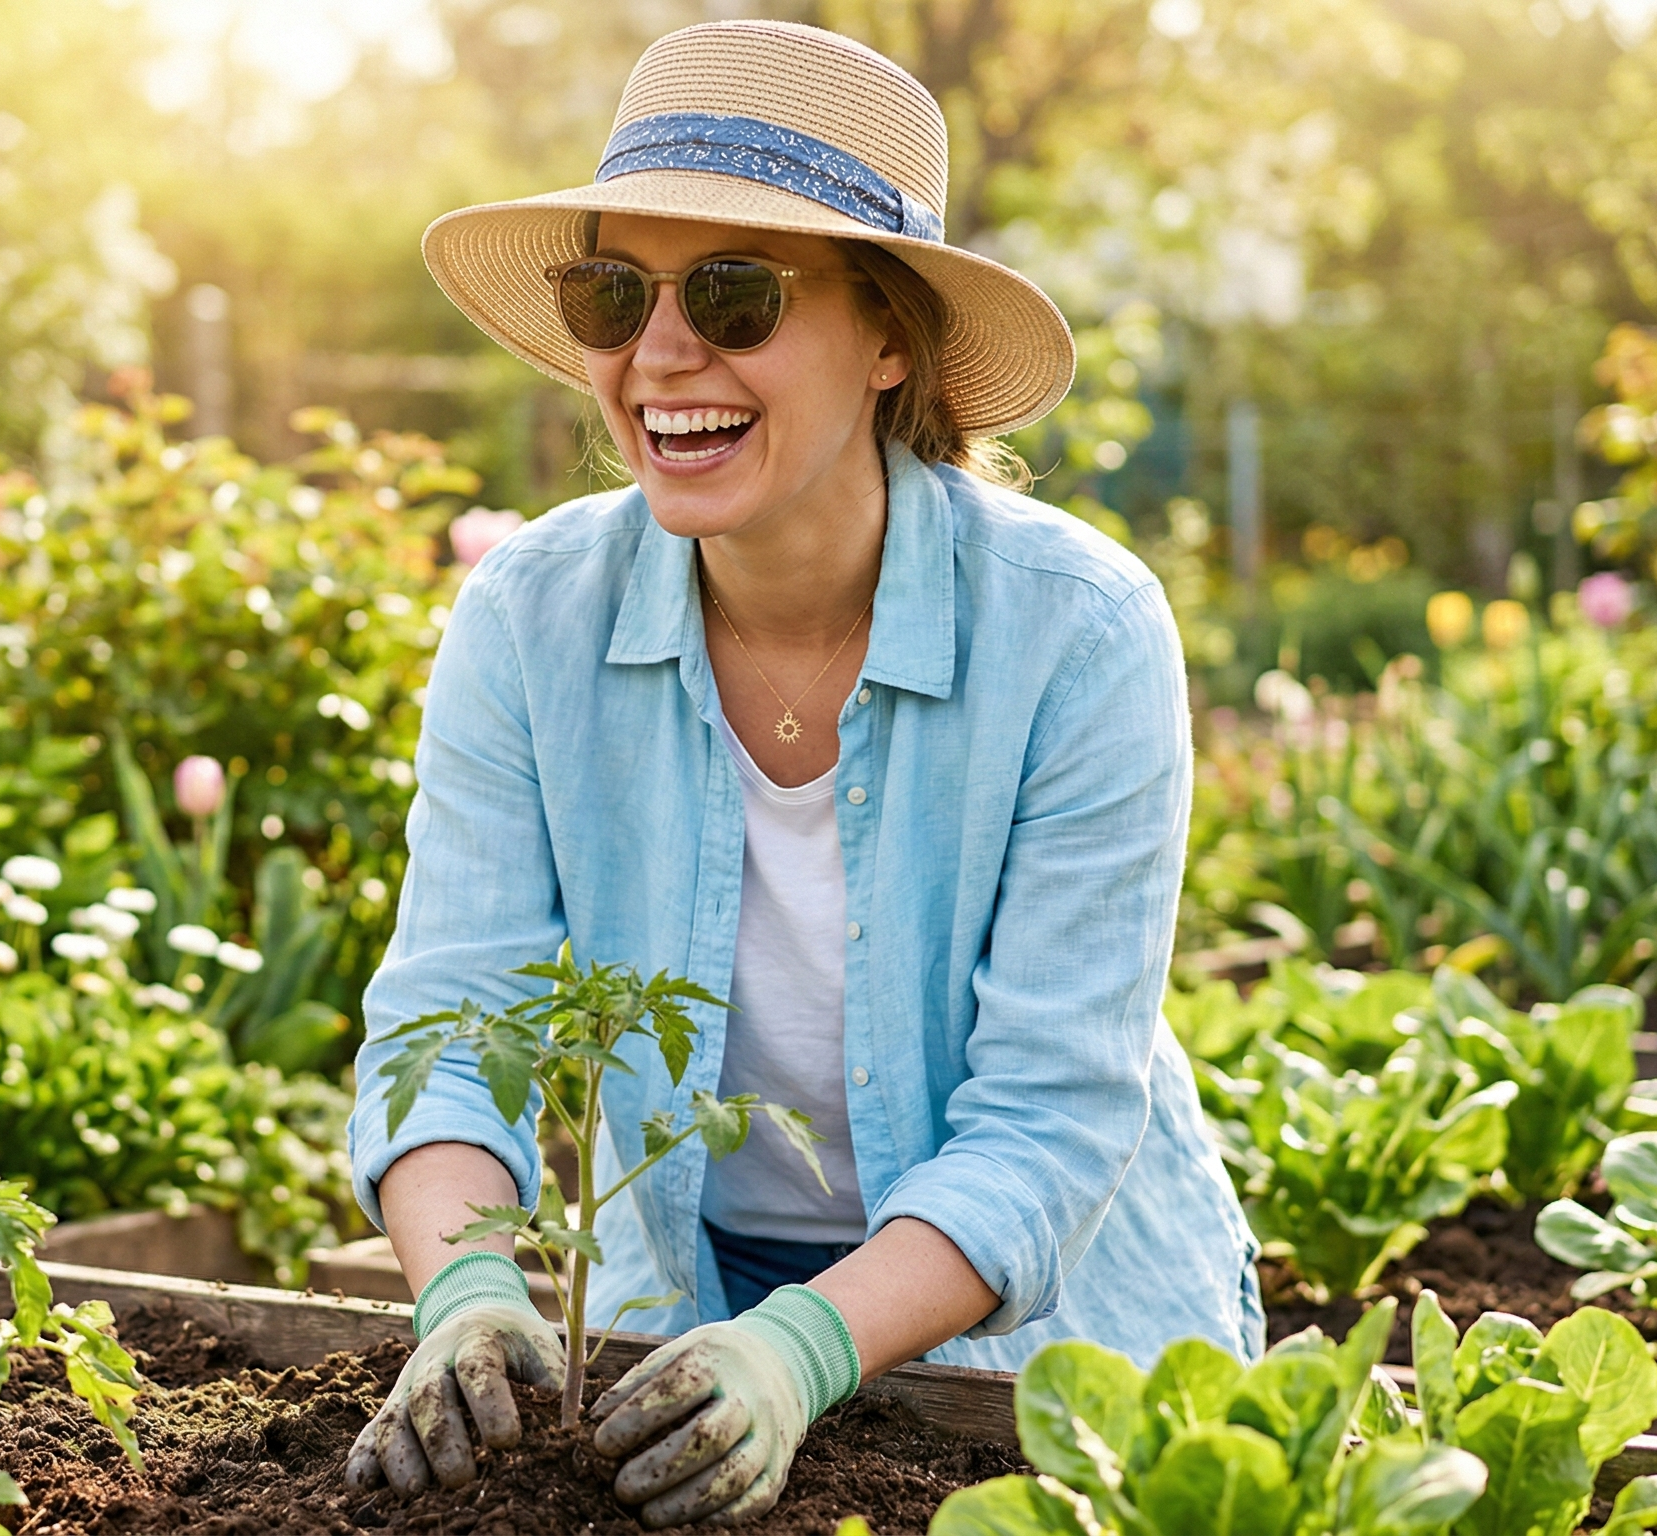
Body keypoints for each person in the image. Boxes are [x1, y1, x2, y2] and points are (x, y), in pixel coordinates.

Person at [342, 18, 1264, 1528]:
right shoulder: (529, 617)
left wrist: (805, 1348)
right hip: (682, 1311)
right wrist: (467, 1294)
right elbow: (452, 1024)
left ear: (890, 335)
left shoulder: (1079, 635)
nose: (658, 353)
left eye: (733, 293)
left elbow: (1046, 1123)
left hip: (1048, 1345)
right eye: (612, 292)